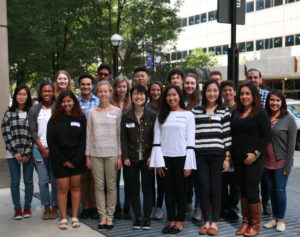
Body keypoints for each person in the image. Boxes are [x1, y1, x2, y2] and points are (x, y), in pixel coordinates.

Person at [150, 85, 196, 235]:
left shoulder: (188, 115)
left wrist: (189, 164)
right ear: (165, 98)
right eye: (169, 95)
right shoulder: (161, 116)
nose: (172, 98)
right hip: (164, 159)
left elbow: (191, 141)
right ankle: (171, 220)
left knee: (181, 191)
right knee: (168, 191)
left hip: (182, 158)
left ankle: (180, 221)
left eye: (174, 95)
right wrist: (158, 163)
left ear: (180, 97)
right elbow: (156, 141)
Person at [231, 83, 271, 236]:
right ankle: (245, 222)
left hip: (254, 158)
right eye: (242, 94)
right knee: (242, 191)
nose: (244, 97)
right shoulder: (236, 112)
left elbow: (266, 136)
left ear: (254, 96)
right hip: (238, 157)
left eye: (248, 93)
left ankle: (255, 224)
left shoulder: (260, 113)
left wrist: (256, 153)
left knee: (251, 191)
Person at [192, 79, 232, 235]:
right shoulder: (195, 111)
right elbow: (191, 134)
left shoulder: (224, 111)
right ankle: (206, 221)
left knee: (216, 189)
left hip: (218, 155)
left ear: (219, 93)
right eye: (209, 90)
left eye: (215, 91)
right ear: (204, 92)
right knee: (204, 189)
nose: (212, 94)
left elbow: (227, 135)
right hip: (200, 155)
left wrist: (227, 158)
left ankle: (214, 222)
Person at [85, 81, 122, 230]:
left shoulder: (117, 111)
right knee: (99, 186)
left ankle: (110, 216)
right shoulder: (91, 112)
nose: (103, 94)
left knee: (111, 186)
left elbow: (120, 135)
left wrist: (120, 155)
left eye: (106, 91)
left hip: (112, 153)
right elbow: (89, 134)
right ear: (96, 93)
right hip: (95, 154)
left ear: (110, 92)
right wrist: (87, 156)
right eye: (100, 91)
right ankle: (102, 216)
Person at [47, 90, 86, 230]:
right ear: (59, 104)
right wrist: (63, 160)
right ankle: (63, 218)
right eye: (63, 102)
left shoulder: (81, 118)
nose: (66, 104)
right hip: (60, 160)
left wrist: (76, 159)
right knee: (62, 189)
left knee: (76, 188)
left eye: (69, 101)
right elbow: (51, 142)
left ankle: (74, 216)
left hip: (77, 159)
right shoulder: (54, 120)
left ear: (74, 102)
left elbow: (83, 141)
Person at [121, 85, 156, 230]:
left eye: (142, 95)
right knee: (133, 189)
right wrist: (125, 156)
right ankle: (138, 217)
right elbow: (123, 138)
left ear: (146, 96)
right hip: (131, 158)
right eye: (136, 94)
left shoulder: (152, 115)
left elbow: (156, 137)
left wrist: (152, 156)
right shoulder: (126, 116)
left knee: (148, 189)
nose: (139, 97)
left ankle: (147, 218)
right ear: (131, 96)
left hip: (147, 158)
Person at [263, 90, 297, 232]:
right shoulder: (264, 116)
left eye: (277, 100)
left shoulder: (289, 119)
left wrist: (288, 164)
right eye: (272, 100)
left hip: (281, 161)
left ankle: (281, 220)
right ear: (268, 101)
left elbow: (291, 145)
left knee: (280, 190)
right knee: (271, 190)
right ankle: (274, 218)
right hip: (266, 161)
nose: (274, 103)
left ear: (282, 102)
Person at [1, 84, 34, 220]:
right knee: (15, 181)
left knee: (28, 181)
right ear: (15, 96)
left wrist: (26, 153)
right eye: (19, 94)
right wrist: (15, 151)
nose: (22, 96)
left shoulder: (31, 112)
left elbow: (33, 134)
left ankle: (27, 207)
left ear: (28, 96)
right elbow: (6, 132)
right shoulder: (9, 113)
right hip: (12, 153)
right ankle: (17, 209)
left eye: (24, 94)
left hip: (28, 153)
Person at [28, 82, 57, 220]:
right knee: (43, 181)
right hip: (39, 150)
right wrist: (42, 149)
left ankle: (55, 207)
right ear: (40, 93)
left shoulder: (56, 108)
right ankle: (46, 207)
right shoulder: (34, 110)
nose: (47, 93)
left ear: (53, 92)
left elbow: (59, 130)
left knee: (55, 180)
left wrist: (51, 148)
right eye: (44, 91)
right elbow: (33, 132)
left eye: (50, 91)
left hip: (55, 150)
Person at [246, 68, 271, 215]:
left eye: (256, 77)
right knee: (252, 176)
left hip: (264, 141)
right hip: (249, 140)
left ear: (260, 80)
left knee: (265, 176)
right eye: (250, 77)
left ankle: (266, 201)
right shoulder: (243, 96)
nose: (253, 80)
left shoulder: (267, 96)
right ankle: (253, 202)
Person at [77, 73, 99, 220]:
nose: (85, 87)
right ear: (80, 85)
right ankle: (85, 207)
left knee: (95, 177)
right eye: (83, 84)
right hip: (79, 144)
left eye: (88, 84)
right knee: (83, 178)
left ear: (92, 86)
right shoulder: (74, 101)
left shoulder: (98, 101)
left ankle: (95, 207)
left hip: (96, 143)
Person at [219, 80, 240, 223]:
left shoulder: (240, 108)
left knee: (235, 184)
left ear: (234, 92)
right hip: (221, 151)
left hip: (237, 151)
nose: (228, 93)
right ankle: (223, 208)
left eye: (230, 90)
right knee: (221, 182)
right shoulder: (218, 108)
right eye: (225, 90)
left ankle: (233, 209)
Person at [111, 75, 131, 220]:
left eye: (124, 86)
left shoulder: (132, 103)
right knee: (115, 179)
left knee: (130, 179)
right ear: (115, 88)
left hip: (130, 146)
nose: (122, 89)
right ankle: (116, 206)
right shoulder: (110, 103)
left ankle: (127, 207)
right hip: (113, 145)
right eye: (119, 86)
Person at [182, 73, 202, 221]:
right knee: (185, 178)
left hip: (199, 145)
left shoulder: (202, 101)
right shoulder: (179, 100)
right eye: (187, 83)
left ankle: (198, 207)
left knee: (198, 180)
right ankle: (186, 201)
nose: (189, 86)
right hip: (182, 145)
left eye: (192, 83)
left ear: (197, 85)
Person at [146, 81, 164, 220]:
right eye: (153, 90)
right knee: (149, 180)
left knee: (162, 179)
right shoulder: (145, 107)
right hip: (148, 147)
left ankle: (159, 206)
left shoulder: (166, 107)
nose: (155, 93)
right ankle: (151, 206)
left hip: (163, 148)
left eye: (158, 90)